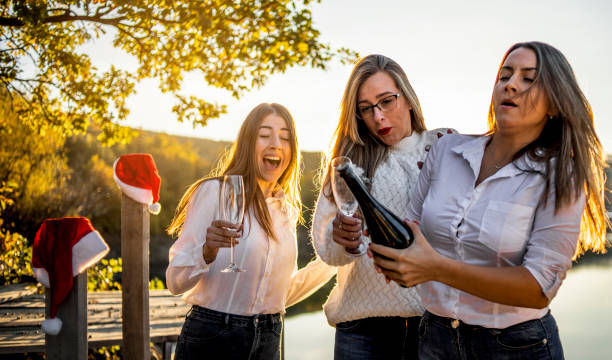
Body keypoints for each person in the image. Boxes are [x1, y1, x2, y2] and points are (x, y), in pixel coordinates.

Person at [370, 41, 610, 359]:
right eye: (505, 75)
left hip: (517, 346)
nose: (511, 84)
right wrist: (381, 249)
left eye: (529, 79)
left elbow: (539, 289)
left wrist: (435, 268)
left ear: (554, 103)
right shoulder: (445, 150)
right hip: (433, 339)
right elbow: (410, 233)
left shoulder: (560, 176)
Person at [311, 54, 455, 359]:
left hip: (436, 326)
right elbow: (329, 252)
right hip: (362, 331)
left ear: (408, 98)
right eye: (365, 109)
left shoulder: (444, 146)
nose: (378, 117)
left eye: (386, 101)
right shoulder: (349, 162)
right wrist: (341, 239)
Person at [166, 103, 335, 360]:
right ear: (248, 143)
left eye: (285, 138)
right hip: (213, 337)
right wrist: (207, 252)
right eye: (265, 135)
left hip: (269, 337)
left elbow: (282, 293)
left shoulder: (285, 211)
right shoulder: (213, 192)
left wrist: (335, 260)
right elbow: (175, 282)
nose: (276, 143)